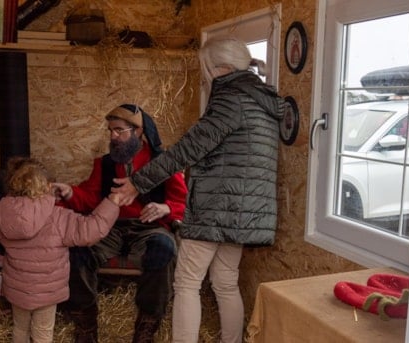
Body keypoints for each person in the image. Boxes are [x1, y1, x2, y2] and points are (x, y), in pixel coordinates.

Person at [112, 36, 285, 343]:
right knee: (225, 281)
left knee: (187, 282)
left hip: (217, 206)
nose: (204, 76)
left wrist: (138, 182)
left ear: (222, 68)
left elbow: (189, 149)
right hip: (245, 212)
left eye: (205, 68)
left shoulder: (231, 99)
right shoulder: (259, 100)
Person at [53, 104, 188, 343]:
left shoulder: (163, 162)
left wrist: (166, 208)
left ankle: (147, 325)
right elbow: (91, 198)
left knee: (164, 250)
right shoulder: (104, 164)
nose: (113, 136)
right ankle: (85, 322)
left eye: (119, 130)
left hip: (150, 227)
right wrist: (70, 193)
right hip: (110, 226)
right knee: (78, 250)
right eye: (110, 131)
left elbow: (186, 203)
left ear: (137, 131)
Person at [0, 157, 123, 343]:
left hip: (17, 289)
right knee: (42, 332)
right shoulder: (58, 217)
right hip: (47, 292)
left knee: (20, 329)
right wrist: (112, 202)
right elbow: (92, 230)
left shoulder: (2, 213)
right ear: (48, 185)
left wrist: (44, 200)